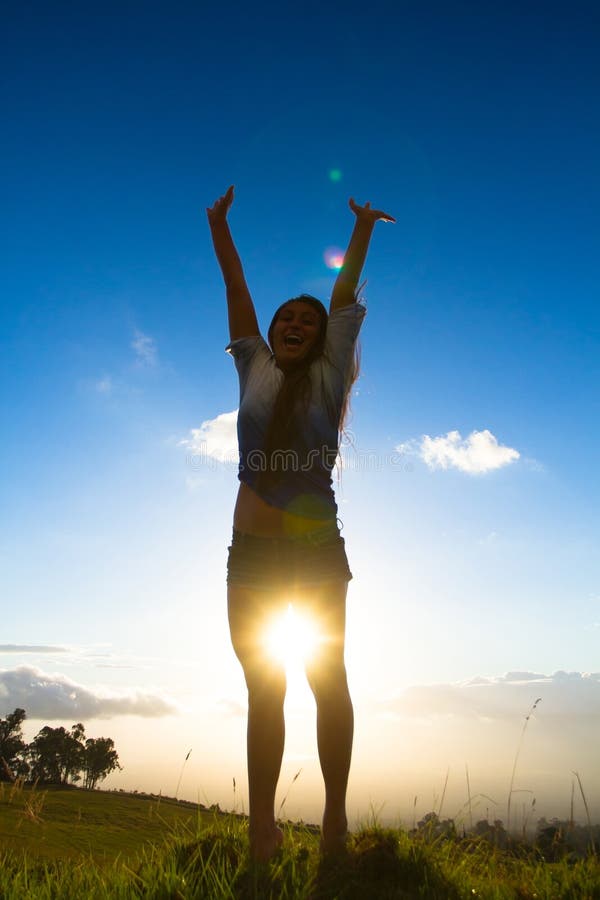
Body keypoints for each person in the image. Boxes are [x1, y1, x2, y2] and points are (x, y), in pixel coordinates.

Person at [206, 185, 394, 861]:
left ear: (320, 339)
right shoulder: (251, 364)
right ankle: (264, 830)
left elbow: (343, 299)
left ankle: (335, 824)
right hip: (250, 554)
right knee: (265, 688)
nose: (291, 323)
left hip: (316, 549)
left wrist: (363, 231)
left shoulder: (330, 374)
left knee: (326, 680)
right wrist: (220, 227)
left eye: (304, 321)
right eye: (284, 317)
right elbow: (236, 287)